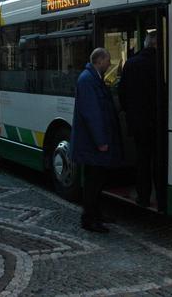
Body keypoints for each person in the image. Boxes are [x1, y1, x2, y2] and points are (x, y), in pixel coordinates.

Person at [71, 48, 124, 233]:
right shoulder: (87, 80)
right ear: (99, 60)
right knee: (93, 184)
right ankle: (89, 219)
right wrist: (101, 141)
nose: (109, 64)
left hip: (94, 144)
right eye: (108, 61)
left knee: (98, 182)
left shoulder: (93, 78)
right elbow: (91, 114)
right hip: (92, 145)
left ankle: (97, 214)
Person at [119, 31, 158, 208]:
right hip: (158, 122)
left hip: (137, 122)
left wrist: (130, 113)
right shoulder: (162, 63)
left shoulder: (131, 63)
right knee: (158, 161)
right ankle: (161, 197)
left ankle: (143, 196)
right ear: (157, 44)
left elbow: (122, 93)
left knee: (142, 160)